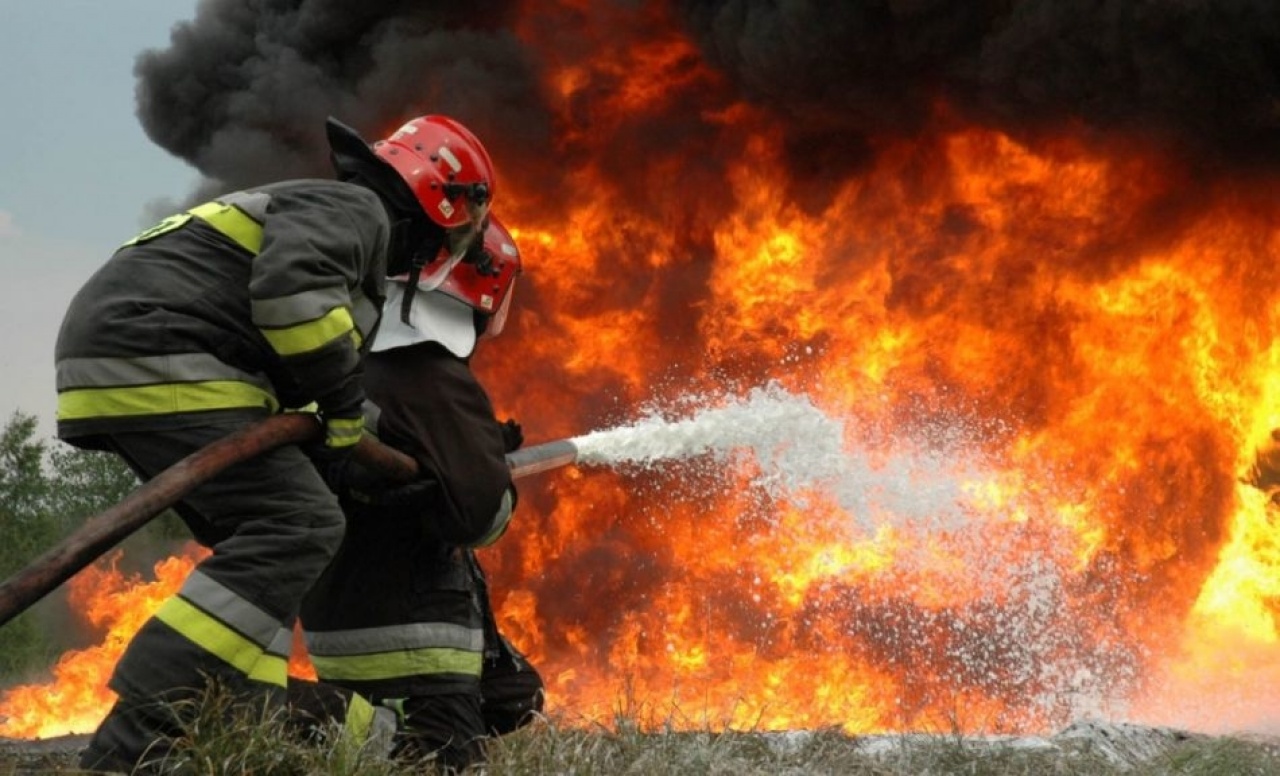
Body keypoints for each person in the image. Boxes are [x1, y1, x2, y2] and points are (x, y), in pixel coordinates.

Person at [54, 113, 497, 773]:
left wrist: (365, 444)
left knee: (263, 553)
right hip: (162, 349)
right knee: (299, 523)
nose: (447, 249)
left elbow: (298, 372)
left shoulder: (331, 218)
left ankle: (228, 721)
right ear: (439, 201)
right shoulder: (356, 210)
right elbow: (293, 301)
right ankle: (137, 737)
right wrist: (347, 413)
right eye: (460, 231)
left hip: (132, 355)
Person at [299, 213, 544, 772]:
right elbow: (481, 518)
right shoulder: (430, 372)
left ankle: (360, 731)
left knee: (515, 694)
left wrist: (470, 454)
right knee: (441, 762)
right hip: (414, 640)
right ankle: (309, 720)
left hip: (339, 624)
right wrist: (492, 476)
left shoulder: (348, 363)